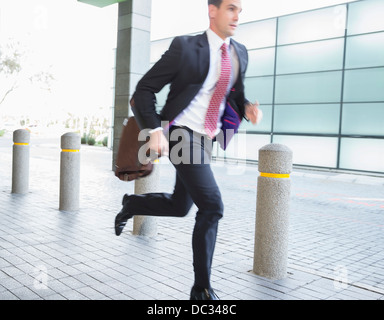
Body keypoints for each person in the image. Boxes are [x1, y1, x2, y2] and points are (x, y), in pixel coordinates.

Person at [114, 0, 262, 300]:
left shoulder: (239, 52)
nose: (237, 15)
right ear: (213, 10)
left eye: (240, 10)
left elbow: (233, 95)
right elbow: (144, 90)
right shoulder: (185, 47)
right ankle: (201, 289)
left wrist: (246, 108)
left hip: (207, 139)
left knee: (181, 207)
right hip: (181, 134)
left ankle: (132, 204)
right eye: (231, 8)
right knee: (213, 206)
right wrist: (155, 130)